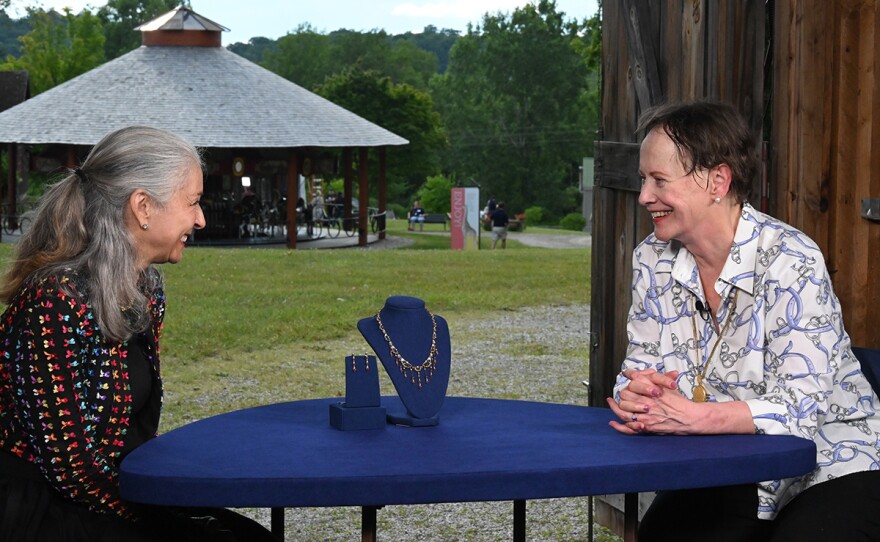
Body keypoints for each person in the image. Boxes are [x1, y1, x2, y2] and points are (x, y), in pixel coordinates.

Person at [606, 101, 880, 541]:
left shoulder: (792, 260)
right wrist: (638, 394)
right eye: (643, 180)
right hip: (731, 462)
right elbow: (637, 371)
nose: (643, 197)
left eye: (659, 180)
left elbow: (801, 408)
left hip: (836, 460)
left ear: (718, 180)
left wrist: (696, 417)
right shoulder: (650, 259)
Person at [0, 126, 278, 541]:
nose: (200, 218)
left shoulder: (146, 288)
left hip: (109, 493)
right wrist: (159, 515)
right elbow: (70, 468)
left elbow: (133, 433)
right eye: (193, 202)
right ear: (143, 206)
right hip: (45, 511)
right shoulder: (55, 301)